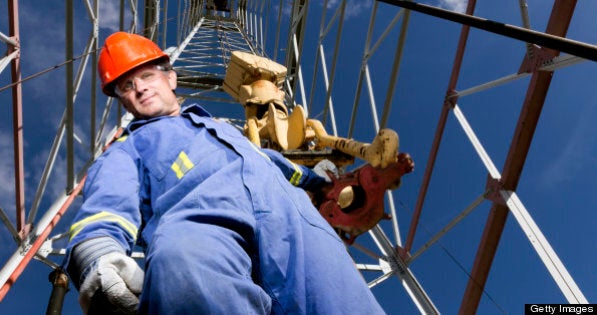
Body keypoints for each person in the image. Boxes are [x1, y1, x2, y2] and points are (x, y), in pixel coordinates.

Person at [63, 31, 385, 315]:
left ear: (171, 78)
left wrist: (321, 184)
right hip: (202, 225)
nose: (140, 89)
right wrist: (97, 256)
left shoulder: (222, 129)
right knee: (184, 267)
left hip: (297, 224)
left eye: (147, 76)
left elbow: (277, 164)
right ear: (123, 101)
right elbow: (106, 205)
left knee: (346, 300)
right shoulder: (127, 147)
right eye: (127, 86)